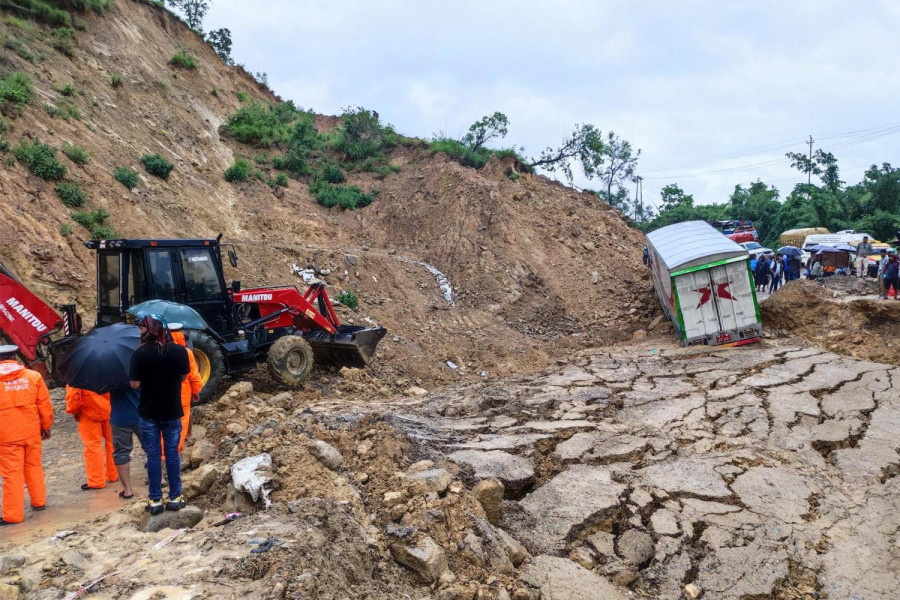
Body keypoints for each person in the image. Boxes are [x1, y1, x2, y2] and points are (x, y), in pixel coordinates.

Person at [130, 316, 190, 514]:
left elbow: (135, 384)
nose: (140, 332)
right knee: (172, 454)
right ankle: (175, 497)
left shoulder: (139, 353)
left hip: (148, 412)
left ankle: (155, 500)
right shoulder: (180, 351)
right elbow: (183, 377)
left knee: (154, 455)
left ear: (150, 330)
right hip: (172, 411)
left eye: (142, 329)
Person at [0, 345, 52, 526]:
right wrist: (46, 426)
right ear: (15, 357)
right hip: (31, 432)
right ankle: (39, 501)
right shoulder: (33, 376)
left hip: (6, 437)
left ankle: (13, 515)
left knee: (11, 474)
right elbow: (44, 404)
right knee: (34, 466)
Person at [65, 386, 118, 490]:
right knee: (112, 443)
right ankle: (113, 474)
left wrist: (74, 411)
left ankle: (96, 481)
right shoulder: (109, 374)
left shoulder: (77, 376)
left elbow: (73, 394)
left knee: (92, 447)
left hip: (88, 413)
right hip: (109, 410)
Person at [166, 323, 202, 455]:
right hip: (182, 394)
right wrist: (196, 391)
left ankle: (165, 451)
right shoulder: (186, 353)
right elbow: (194, 375)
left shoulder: (159, 350)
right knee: (182, 421)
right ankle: (176, 451)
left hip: (163, 395)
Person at [110, 385, 143, 499]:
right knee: (151, 448)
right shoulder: (139, 374)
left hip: (120, 419)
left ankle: (127, 490)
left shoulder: (110, 377)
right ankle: (160, 479)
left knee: (121, 453)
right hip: (141, 415)